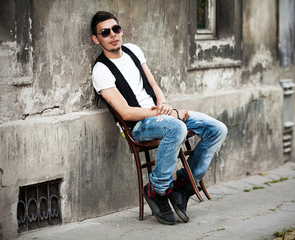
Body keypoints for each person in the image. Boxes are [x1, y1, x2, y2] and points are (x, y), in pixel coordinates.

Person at [90, 11, 228, 225]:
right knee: (177, 128)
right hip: (138, 126)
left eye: (116, 29)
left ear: (121, 30)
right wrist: (167, 114)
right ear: (96, 39)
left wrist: (164, 105)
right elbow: (126, 112)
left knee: (217, 129)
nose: (113, 35)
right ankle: (158, 189)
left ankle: (182, 188)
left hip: (161, 115)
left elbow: (154, 86)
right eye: (105, 32)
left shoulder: (133, 51)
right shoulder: (101, 70)